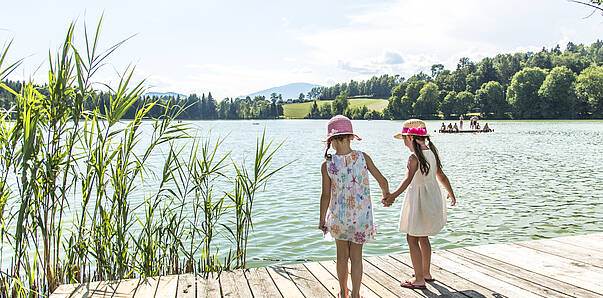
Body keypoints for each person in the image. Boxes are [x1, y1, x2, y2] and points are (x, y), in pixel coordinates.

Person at [319, 115, 390, 298]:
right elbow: (383, 180)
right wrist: (386, 196)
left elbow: (325, 195)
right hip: (361, 218)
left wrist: (321, 219)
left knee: (342, 257)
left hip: (339, 218)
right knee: (356, 257)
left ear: (331, 141)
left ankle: (343, 293)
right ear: (351, 136)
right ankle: (356, 294)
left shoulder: (327, 164)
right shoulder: (363, 157)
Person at [383, 119, 456, 289]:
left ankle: (419, 280)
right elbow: (442, 176)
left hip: (419, 201)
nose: (403, 141)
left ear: (410, 138)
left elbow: (407, 180)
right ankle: (426, 272)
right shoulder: (431, 153)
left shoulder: (414, 157)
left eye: (403, 138)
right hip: (432, 198)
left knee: (412, 238)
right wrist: (451, 193)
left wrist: (392, 195)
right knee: (423, 236)